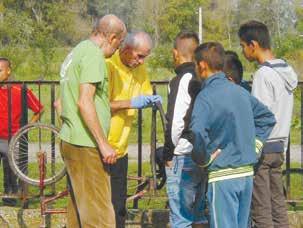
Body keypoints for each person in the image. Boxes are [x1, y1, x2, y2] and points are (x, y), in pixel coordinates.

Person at [190, 42, 276, 228]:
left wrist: (203, 158)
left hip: (222, 176)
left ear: (202, 65)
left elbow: (197, 131)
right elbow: (267, 118)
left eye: (195, 65)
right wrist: (255, 147)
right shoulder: (240, 92)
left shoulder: (205, 96)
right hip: (246, 175)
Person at [58, 14, 126, 227]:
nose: (117, 50)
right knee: (99, 217)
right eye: (119, 44)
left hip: (71, 140)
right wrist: (103, 144)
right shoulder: (93, 55)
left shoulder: (76, 52)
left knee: (79, 213)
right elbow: (84, 101)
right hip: (86, 145)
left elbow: (59, 103)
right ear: (112, 37)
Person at [238, 20, 298, 228]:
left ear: (252, 45)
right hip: (280, 145)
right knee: (277, 204)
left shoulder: (264, 74)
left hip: (263, 147)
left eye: (242, 46)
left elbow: (259, 116)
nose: (243, 51)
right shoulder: (285, 70)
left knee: (261, 208)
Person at [106, 31, 161, 228]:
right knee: (100, 205)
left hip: (120, 148)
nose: (141, 61)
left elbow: (145, 92)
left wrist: (150, 101)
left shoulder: (139, 68)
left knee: (119, 205)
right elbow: (100, 105)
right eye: (139, 56)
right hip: (100, 146)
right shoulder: (109, 64)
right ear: (126, 49)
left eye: (145, 57)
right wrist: (131, 102)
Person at [163, 31, 207, 228]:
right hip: (203, 153)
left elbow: (176, 122)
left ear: (175, 53)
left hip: (183, 154)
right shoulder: (205, 77)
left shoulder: (182, 79)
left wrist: (168, 153)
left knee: (181, 217)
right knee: (198, 214)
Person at [0, 57, 43, 206]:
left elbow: (39, 109)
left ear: (8, 71)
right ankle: (8, 196)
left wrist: (26, 128)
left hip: (14, 137)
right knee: (6, 168)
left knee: (16, 169)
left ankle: (21, 198)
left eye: (0, 70)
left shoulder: (20, 89)